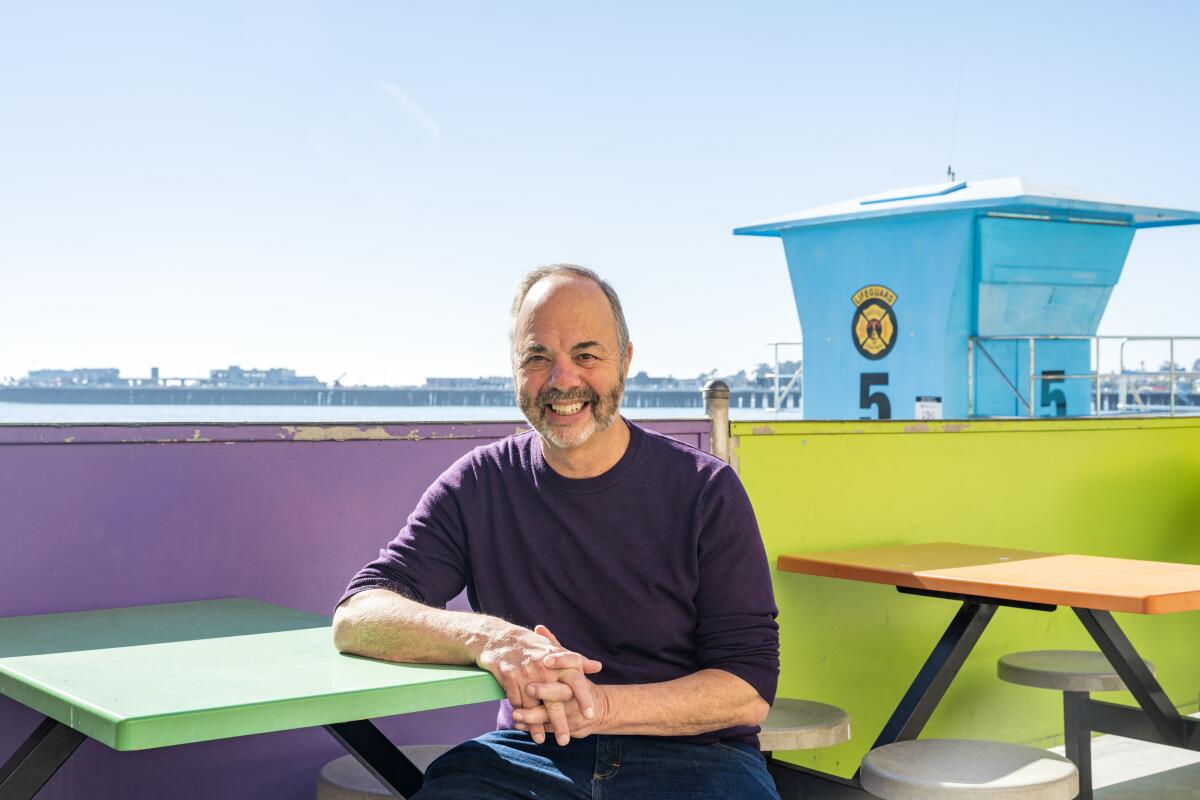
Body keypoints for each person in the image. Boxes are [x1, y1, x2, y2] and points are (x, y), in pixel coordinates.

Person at [333, 264, 781, 799]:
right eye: (537, 357)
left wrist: (600, 707)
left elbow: (748, 687)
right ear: (515, 369)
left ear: (626, 362)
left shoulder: (706, 489)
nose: (562, 380)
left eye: (586, 355)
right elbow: (358, 615)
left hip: (698, 760)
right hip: (527, 756)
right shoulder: (479, 484)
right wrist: (490, 639)